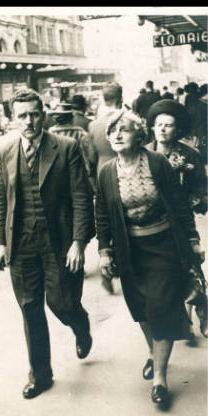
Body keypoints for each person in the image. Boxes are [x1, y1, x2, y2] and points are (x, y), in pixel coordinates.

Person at [95, 109, 204, 407]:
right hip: (130, 252)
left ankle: (159, 378)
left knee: (161, 307)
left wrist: (193, 240)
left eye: (124, 129)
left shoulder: (157, 163)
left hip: (164, 246)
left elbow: (180, 205)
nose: (116, 135)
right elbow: (102, 214)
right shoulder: (106, 171)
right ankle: (153, 353)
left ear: (138, 134)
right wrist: (104, 250)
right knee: (142, 309)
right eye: (112, 130)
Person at [0, 88, 95, 399]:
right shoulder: (5, 151)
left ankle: (80, 323)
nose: (29, 121)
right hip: (21, 243)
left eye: (34, 114)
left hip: (58, 241)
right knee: (30, 309)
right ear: (13, 118)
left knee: (61, 302)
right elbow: (1, 199)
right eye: (22, 115)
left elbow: (81, 197)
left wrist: (78, 242)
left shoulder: (66, 148)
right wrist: (1, 243)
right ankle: (41, 374)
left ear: (44, 115)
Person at [145, 99, 208, 342]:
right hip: (153, 222)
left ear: (176, 130)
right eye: (158, 124)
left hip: (181, 223)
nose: (162, 129)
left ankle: (195, 313)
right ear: (152, 128)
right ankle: (184, 317)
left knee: (188, 266)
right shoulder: (144, 152)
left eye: (168, 125)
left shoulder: (189, 154)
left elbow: (201, 188)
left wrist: (190, 203)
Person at [87, 82, 123, 294]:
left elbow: (90, 159)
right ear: (120, 97)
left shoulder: (93, 126)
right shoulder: (126, 120)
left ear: (103, 98)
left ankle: (107, 270)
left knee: (106, 221)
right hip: (122, 171)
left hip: (102, 175)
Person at [48, 102, 98, 193]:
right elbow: (92, 156)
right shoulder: (80, 133)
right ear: (71, 117)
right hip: (80, 175)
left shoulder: (50, 134)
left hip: (57, 177)